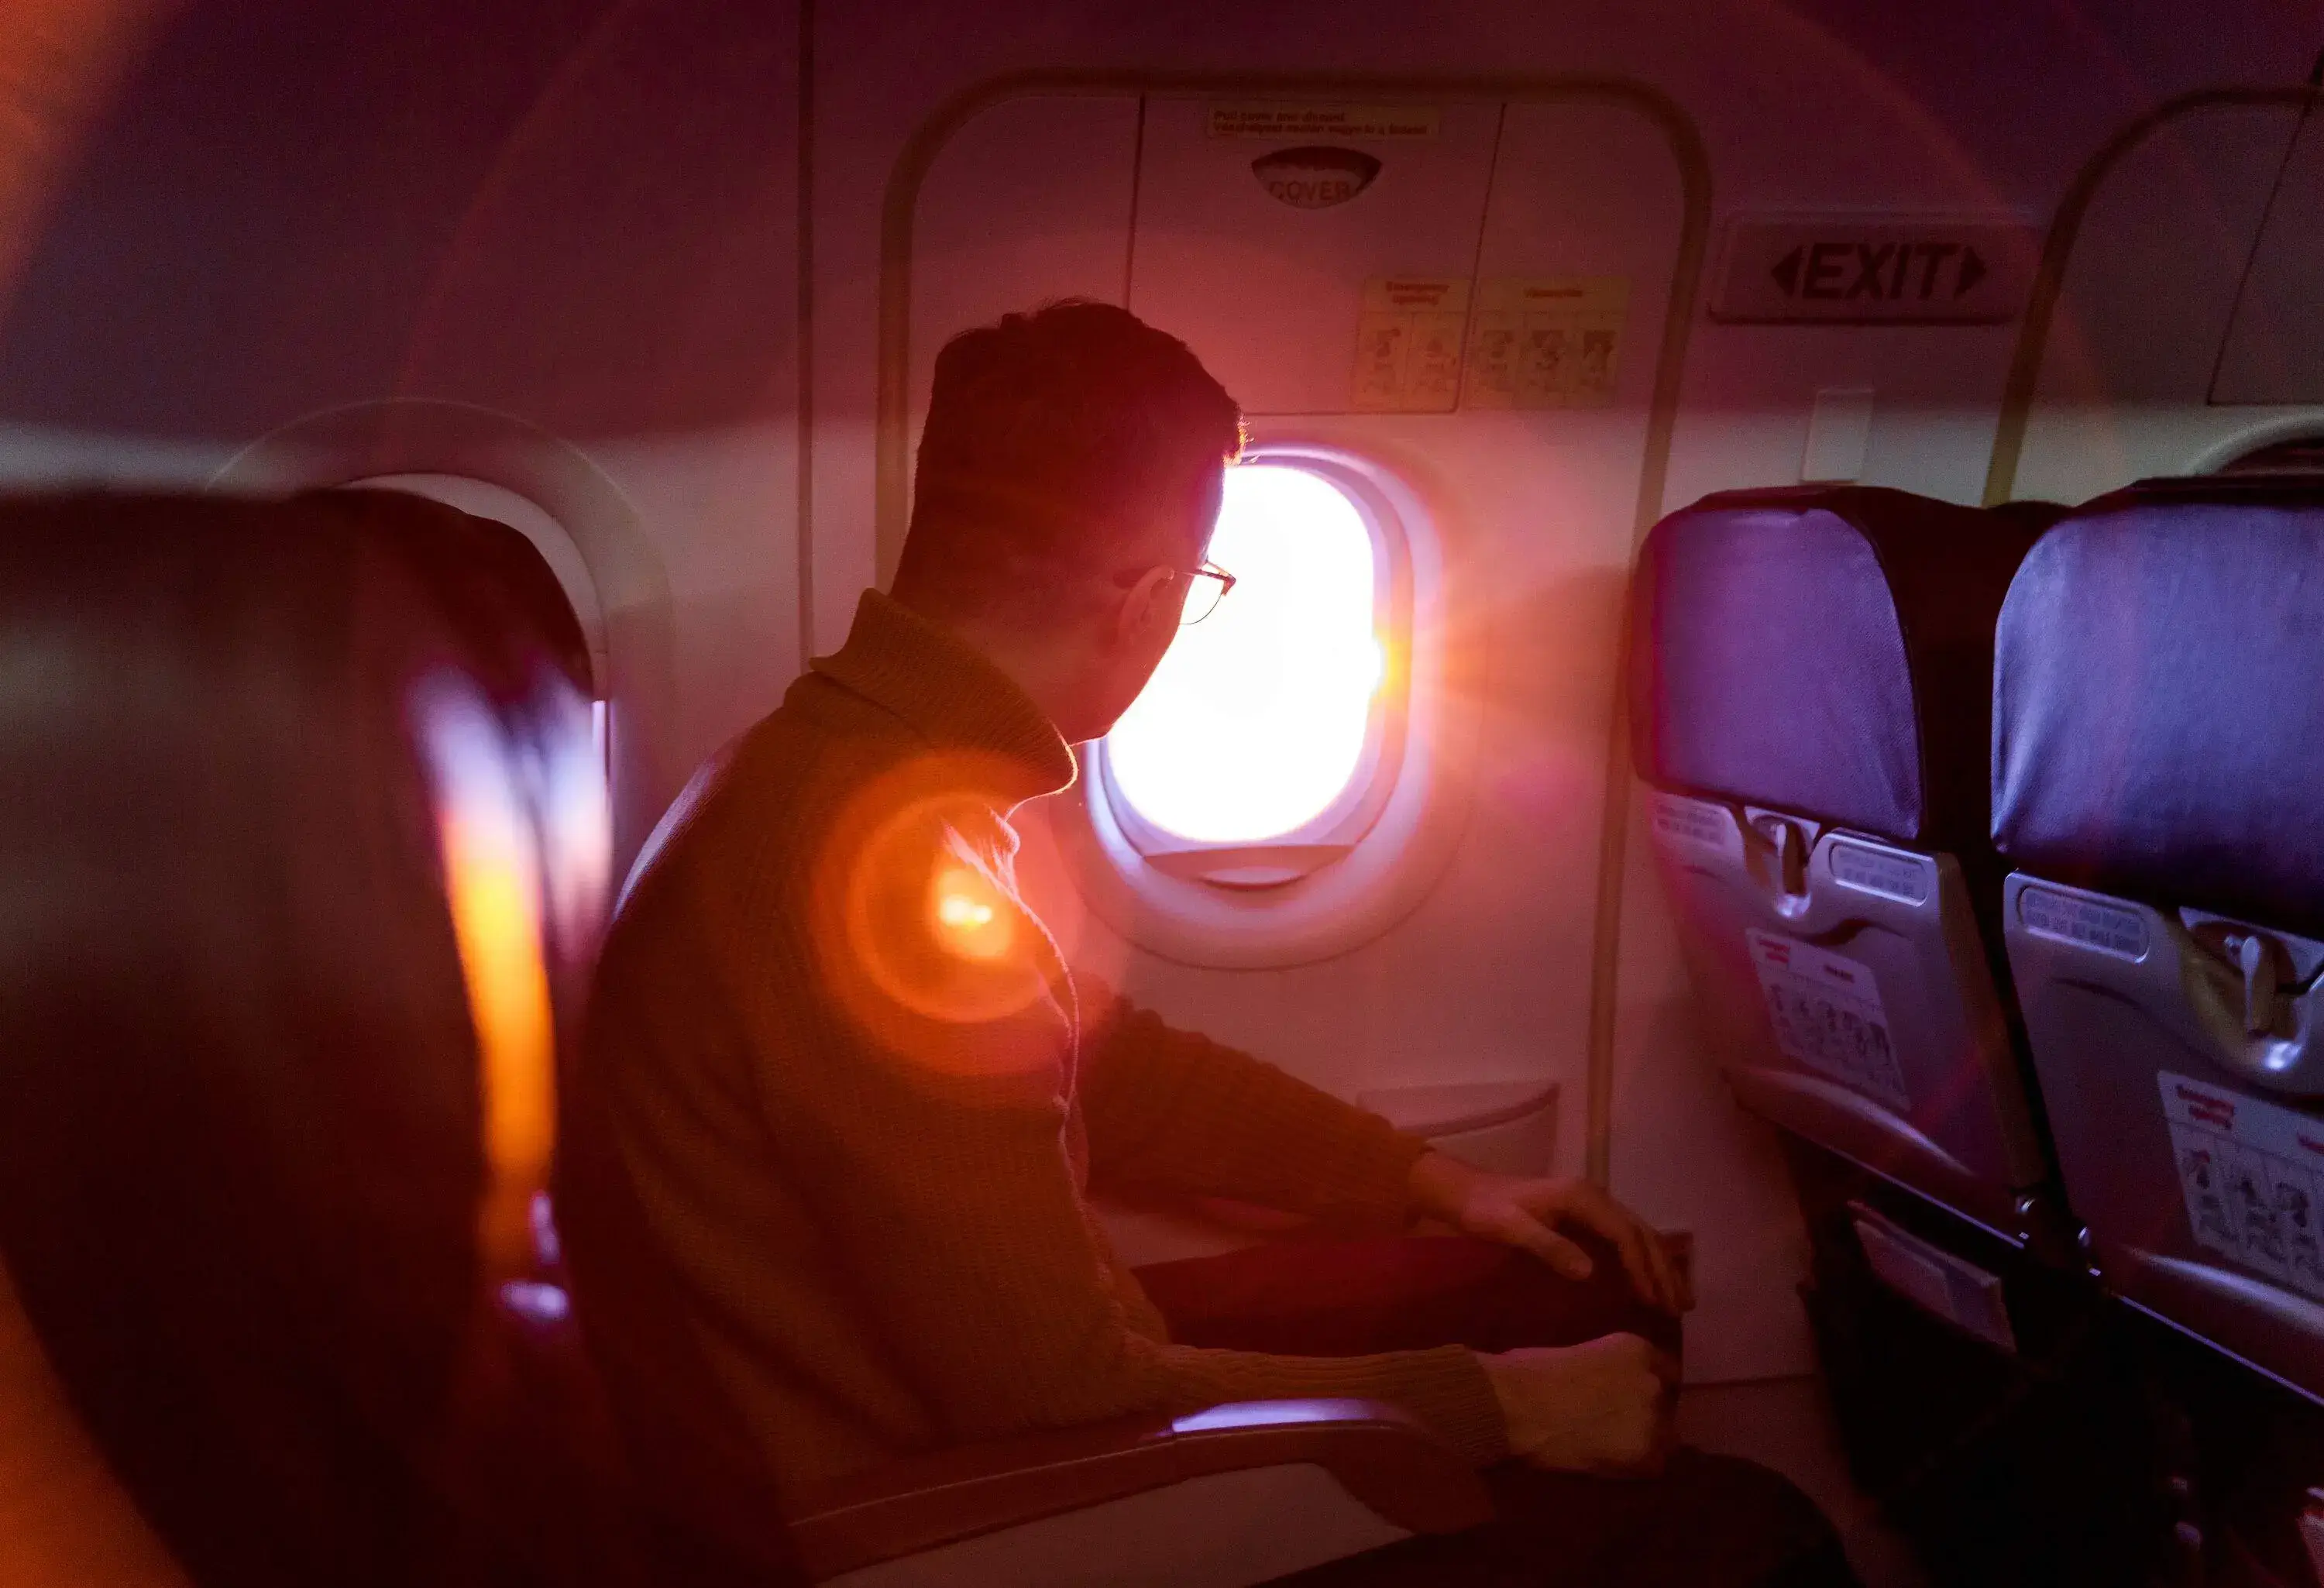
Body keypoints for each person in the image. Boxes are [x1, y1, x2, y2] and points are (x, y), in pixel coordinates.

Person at [562, 301, 1856, 1586]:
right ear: (1149, 600)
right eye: (1202, 592)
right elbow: (1061, 1394)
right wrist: (1505, 1411)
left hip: (995, 1411)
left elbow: (1112, 1072)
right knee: (1748, 1537)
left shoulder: (839, 777)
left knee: (1564, 1288)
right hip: (957, 1518)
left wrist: (1434, 1179)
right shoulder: (875, 879)